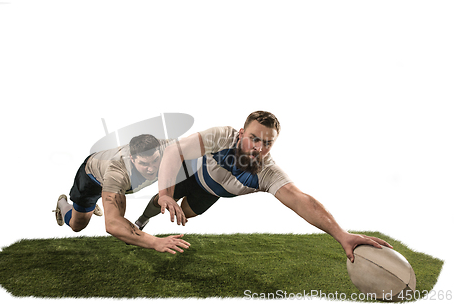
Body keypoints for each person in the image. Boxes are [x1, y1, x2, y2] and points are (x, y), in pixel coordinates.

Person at [135, 111, 391, 262]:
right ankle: (142, 220)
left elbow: (300, 199)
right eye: (253, 139)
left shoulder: (266, 171)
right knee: (162, 203)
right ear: (240, 133)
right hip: (191, 174)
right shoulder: (221, 136)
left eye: (267, 143)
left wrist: (342, 235)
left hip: (212, 194)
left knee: (186, 214)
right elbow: (173, 151)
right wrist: (165, 193)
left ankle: (176, 205)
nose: (258, 147)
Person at [53, 134, 190, 254]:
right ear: (132, 158)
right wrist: (155, 242)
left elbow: (202, 145)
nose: (151, 168)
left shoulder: (170, 147)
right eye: (144, 163)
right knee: (77, 226)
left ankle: (101, 203)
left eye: (155, 161)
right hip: (92, 179)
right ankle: (62, 204)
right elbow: (113, 223)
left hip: (115, 183)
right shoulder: (117, 173)